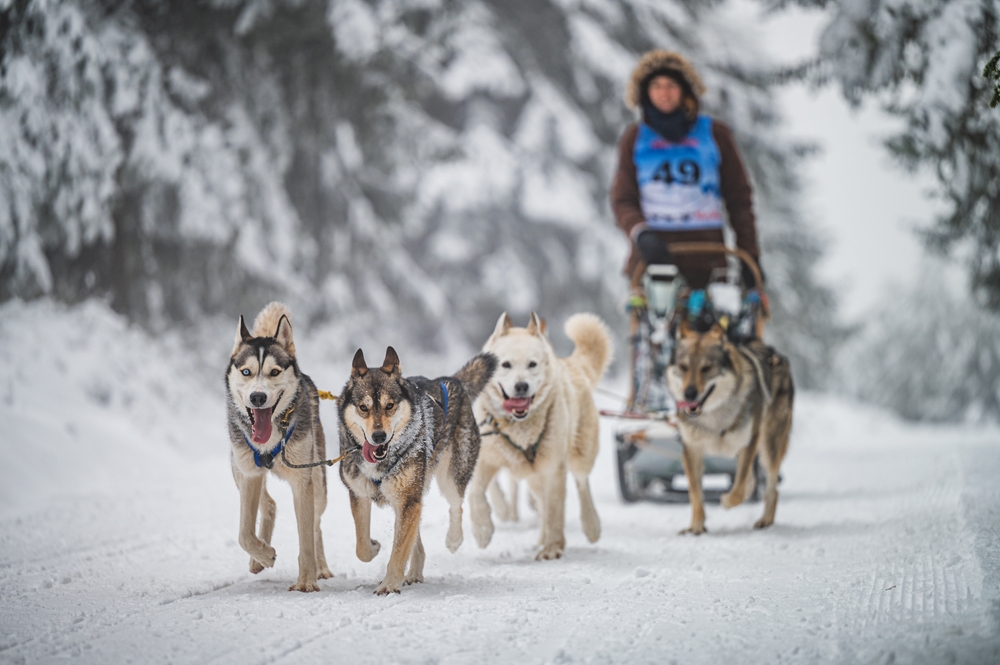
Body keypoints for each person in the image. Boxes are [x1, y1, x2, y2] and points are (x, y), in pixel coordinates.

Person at [610, 50, 763, 298]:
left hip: (708, 259)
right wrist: (640, 232)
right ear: (644, 93)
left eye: (671, 85)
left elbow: (739, 199)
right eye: (656, 86)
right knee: (654, 334)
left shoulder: (715, 134)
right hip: (652, 260)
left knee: (718, 333)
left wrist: (750, 256)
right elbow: (622, 199)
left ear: (685, 90)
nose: (664, 93)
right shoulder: (635, 139)